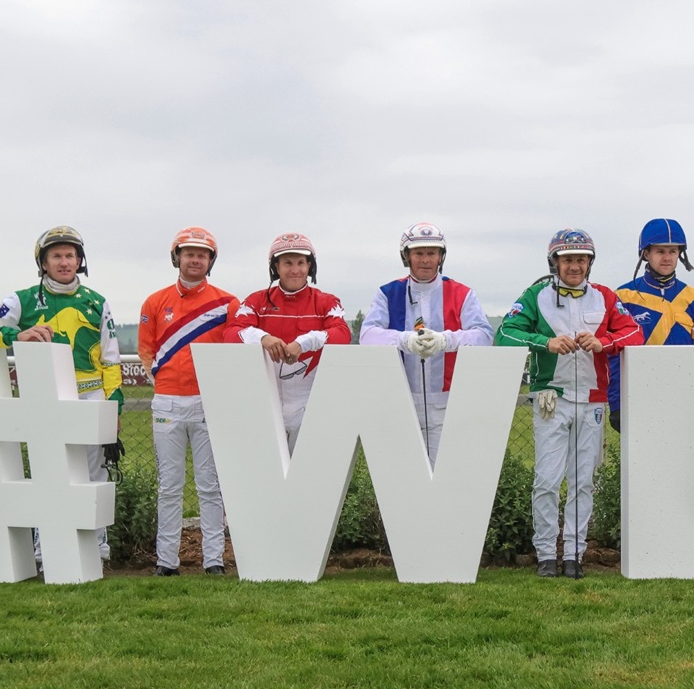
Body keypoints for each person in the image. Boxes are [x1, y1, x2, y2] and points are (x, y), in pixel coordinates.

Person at [0, 225, 123, 567]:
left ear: (80, 260)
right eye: (57, 256)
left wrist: (115, 405)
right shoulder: (20, 300)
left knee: (94, 477)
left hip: (91, 396)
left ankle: (97, 549)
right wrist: (15, 334)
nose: (64, 262)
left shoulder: (98, 301)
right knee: (47, 473)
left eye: (70, 255)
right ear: (43, 262)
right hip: (45, 400)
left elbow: (110, 359)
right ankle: (44, 548)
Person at [496, 229, 643, 579]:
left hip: (592, 402)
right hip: (552, 399)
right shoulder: (535, 295)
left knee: (582, 483)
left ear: (589, 263)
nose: (574, 266)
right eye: (568, 259)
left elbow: (634, 332)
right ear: (555, 262)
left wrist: (603, 342)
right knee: (546, 480)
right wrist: (544, 343)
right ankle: (546, 554)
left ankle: (575, 554)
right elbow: (505, 333)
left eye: (581, 259)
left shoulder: (605, 297)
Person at [138, 227, 240, 576]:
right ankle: (166, 561)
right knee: (169, 487)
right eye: (189, 253)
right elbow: (146, 348)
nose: (195, 259)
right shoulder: (155, 301)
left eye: (202, 254)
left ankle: (214, 559)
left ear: (211, 260)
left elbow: (233, 348)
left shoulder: (228, 303)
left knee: (211, 485)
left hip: (208, 403)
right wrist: (162, 379)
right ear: (177, 257)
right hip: (167, 402)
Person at [359, 222, 492, 465]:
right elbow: (366, 335)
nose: (425, 260)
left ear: (441, 257)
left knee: (445, 473)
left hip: (446, 404)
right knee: (402, 475)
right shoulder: (387, 293)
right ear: (406, 256)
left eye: (432, 253)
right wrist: (404, 339)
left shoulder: (463, 293)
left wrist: (445, 340)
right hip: (400, 401)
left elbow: (484, 335)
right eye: (418, 253)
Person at [226, 232, 351, 452]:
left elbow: (342, 334)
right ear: (276, 267)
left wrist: (306, 341)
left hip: (309, 405)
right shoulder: (256, 300)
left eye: (301, 263)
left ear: (310, 266)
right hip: (266, 404)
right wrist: (262, 338)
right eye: (287, 263)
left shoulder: (326, 301)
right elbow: (231, 334)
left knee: (307, 476)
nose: (295, 269)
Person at [607, 218, 694, 435]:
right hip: (639, 393)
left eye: (673, 251)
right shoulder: (624, 296)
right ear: (646, 254)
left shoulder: (693, 297)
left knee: (684, 464)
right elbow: (614, 356)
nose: (667, 257)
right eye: (660, 251)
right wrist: (616, 404)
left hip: (684, 394)